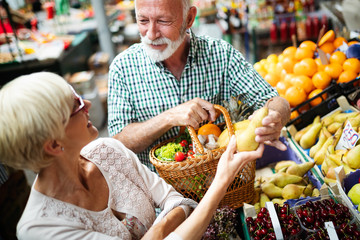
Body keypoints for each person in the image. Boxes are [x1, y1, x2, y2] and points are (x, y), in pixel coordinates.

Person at [0, 72, 264, 240]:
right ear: (54, 144)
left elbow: (178, 201)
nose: (88, 104)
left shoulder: (107, 151)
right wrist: (221, 181)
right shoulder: (40, 230)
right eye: (76, 105)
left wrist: (157, 232)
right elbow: (175, 210)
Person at [107, 0, 291, 171]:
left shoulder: (221, 55)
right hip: (160, 200)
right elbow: (118, 142)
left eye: (163, 21)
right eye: (143, 20)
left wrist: (275, 117)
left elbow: (275, 101)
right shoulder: (123, 68)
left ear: (189, 18)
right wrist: (169, 117)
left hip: (226, 189)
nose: (151, 34)